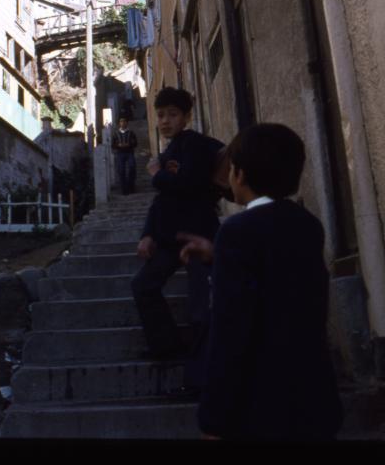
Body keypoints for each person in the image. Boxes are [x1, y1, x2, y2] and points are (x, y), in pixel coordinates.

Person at [179, 123, 343, 440]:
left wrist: (213, 417)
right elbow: (278, 276)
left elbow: (230, 331)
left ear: (239, 175)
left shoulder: (237, 231)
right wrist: (219, 255)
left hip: (261, 406)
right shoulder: (306, 225)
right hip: (314, 398)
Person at [131, 87, 225, 398]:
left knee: (201, 307)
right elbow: (163, 200)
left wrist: (157, 173)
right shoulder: (169, 151)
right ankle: (167, 348)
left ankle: (200, 380)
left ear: (186, 117)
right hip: (170, 238)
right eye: (160, 115)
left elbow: (190, 185)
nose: (166, 120)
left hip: (199, 237)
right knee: (143, 285)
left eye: (173, 114)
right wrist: (147, 233)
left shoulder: (198, 146)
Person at [111, 116, 138, 195]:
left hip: (129, 153)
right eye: (121, 121)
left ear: (127, 123)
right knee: (121, 171)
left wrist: (128, 144)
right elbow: (112, 145)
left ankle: (131, 187)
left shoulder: (131, 133)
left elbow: (135, 143)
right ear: (119, 123)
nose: (122, 123)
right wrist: (119, 145)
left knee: (132, 168)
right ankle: (124, 189)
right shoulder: (116, 134)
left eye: (124, 121)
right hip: (120, 153)